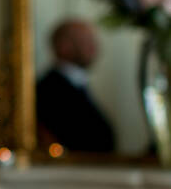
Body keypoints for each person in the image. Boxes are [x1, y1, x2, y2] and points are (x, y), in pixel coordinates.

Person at [35, 18, 116, 153]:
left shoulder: (78, 85)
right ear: (64, 46)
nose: (94, 47)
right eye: (86, 41)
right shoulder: (48, 90)